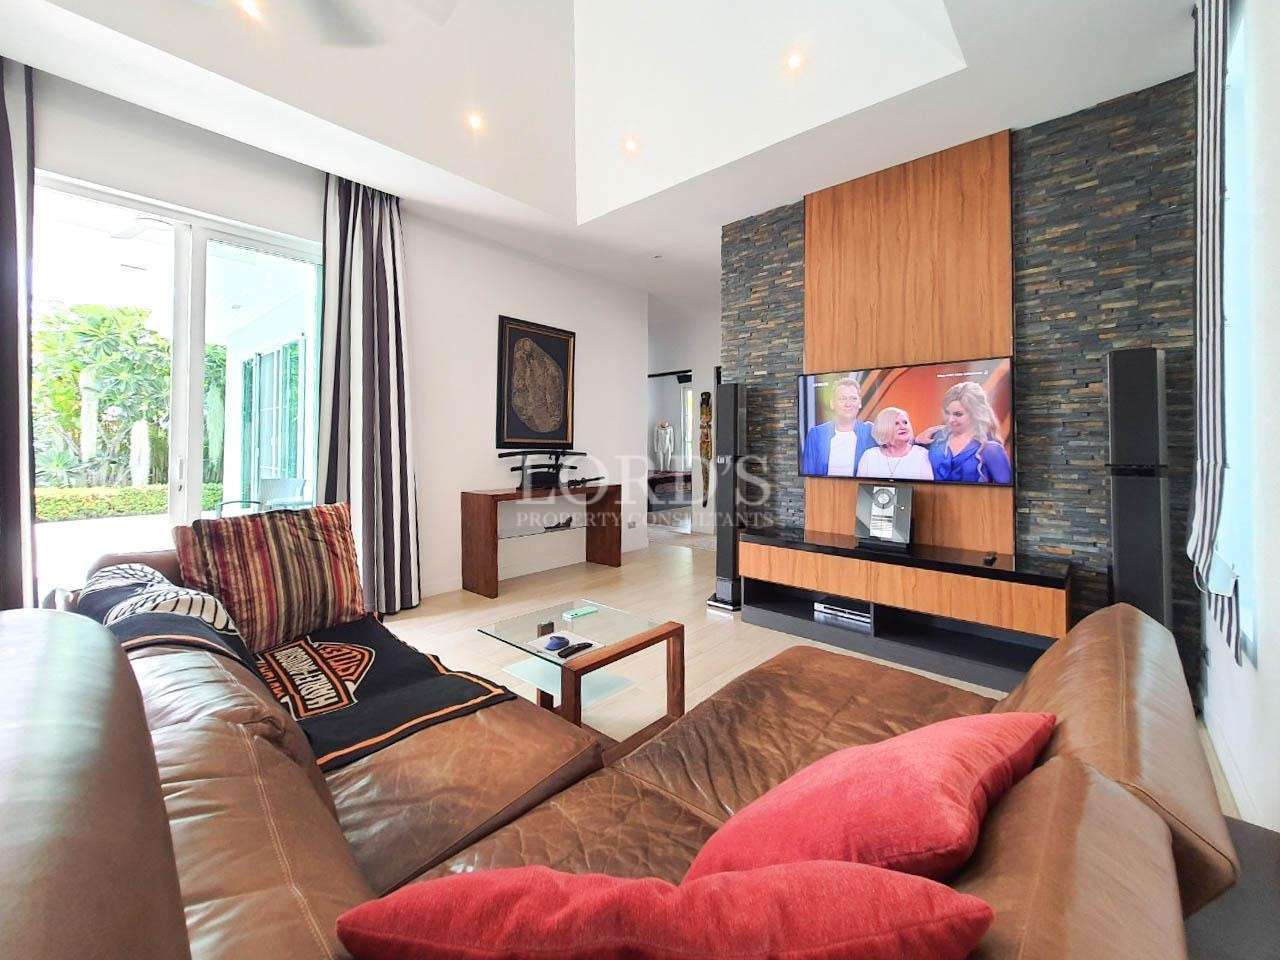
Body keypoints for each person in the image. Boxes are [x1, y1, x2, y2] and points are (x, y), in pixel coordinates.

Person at [917, 381, 1012, 484]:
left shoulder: (990, 449)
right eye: (947, 413)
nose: (950, 420)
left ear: (975, 414)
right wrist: (916, 440)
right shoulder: (935, 437)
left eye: (958, 414)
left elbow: (1005, 493)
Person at [801, 378, 875, 477]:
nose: (848, 404)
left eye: (853, 398)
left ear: (860, 403)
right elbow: (809, 476)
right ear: (832, 404)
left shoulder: (871, 432)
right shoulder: (816, 434)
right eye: (842, 399)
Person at [856, 407, 933, 480]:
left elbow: (928, 489)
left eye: (905, 422)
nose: (903, 427)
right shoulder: (869, 456)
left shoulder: (922, 454)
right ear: (884, 428)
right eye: (896, 423)